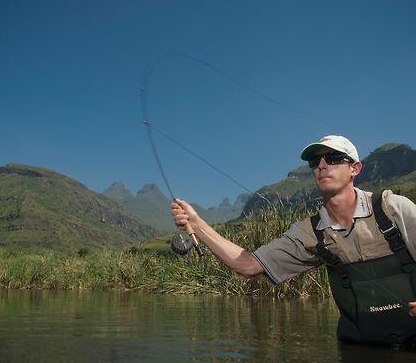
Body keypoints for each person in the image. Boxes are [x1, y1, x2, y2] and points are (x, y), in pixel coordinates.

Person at [171, 135, 416, 347]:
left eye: (332, 158)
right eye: (315, 162)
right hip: (358, 351)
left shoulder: (392, 209)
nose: (322, 166)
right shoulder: (308, 233)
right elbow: (247, 265)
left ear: (355, 169)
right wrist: (197, 224)